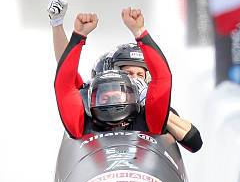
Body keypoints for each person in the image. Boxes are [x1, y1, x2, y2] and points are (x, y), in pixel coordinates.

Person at [48, 0, 202, 152]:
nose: (133, 80)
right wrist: (72, 33)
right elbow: (66, 79)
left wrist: (140, 32)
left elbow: (194, 142)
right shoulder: (83, 114)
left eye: (139, 75)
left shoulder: (151, 115)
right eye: (128, 73)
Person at [55, 8, 171, 136]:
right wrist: (78, 35)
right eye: (104, 97)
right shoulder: (80, 124)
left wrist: (140, 32)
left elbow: (162, 79)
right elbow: (65, 84)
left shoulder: (150, 120)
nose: (112, 100)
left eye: (118, 94)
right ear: (91, 99)